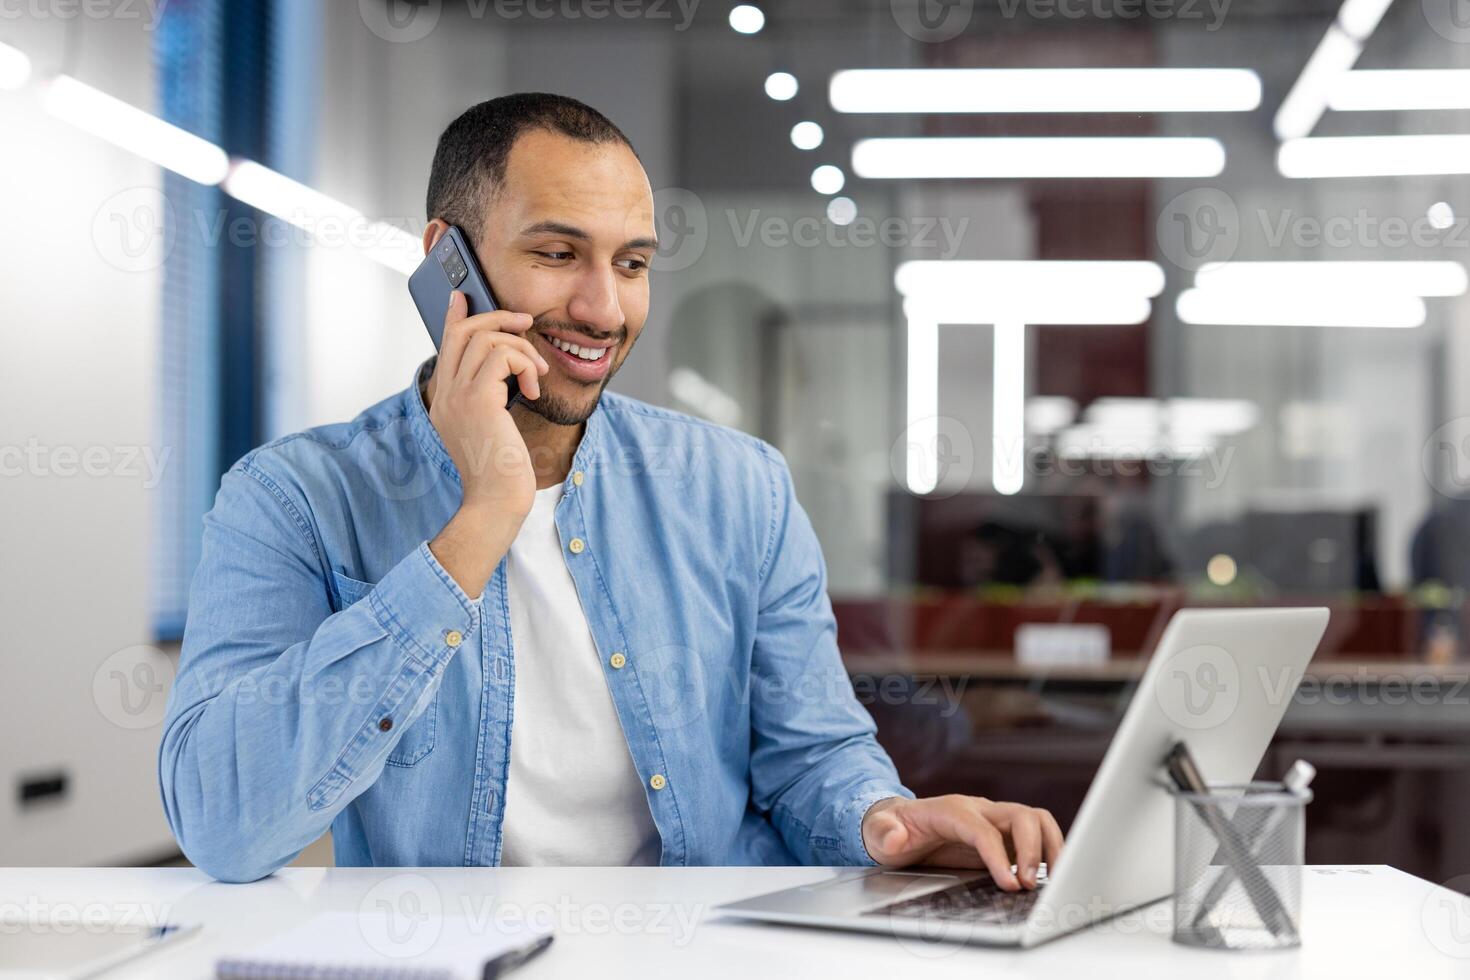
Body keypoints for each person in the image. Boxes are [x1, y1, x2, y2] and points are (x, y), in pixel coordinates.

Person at [159, 93, 1063, 884]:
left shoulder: (737, 488)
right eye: (557, 253)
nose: (603, 309)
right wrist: (483, 519)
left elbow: (810, 756)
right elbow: (222, 825)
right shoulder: (295, 497)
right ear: (446, 262)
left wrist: (885, 822)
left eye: (632, 264)